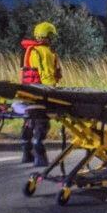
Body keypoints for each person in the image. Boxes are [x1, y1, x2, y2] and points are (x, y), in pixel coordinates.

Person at [19, 21, 62, 167]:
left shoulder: (29, 50)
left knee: (29, 120)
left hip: (28, 91)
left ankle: (26, 153)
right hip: (41, 92)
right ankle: (39, 156)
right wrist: (52, 93)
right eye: (51, 36)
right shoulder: (45, 52)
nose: (52, 39)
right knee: (41, 121)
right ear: (47, 36)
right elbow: (47, 74)